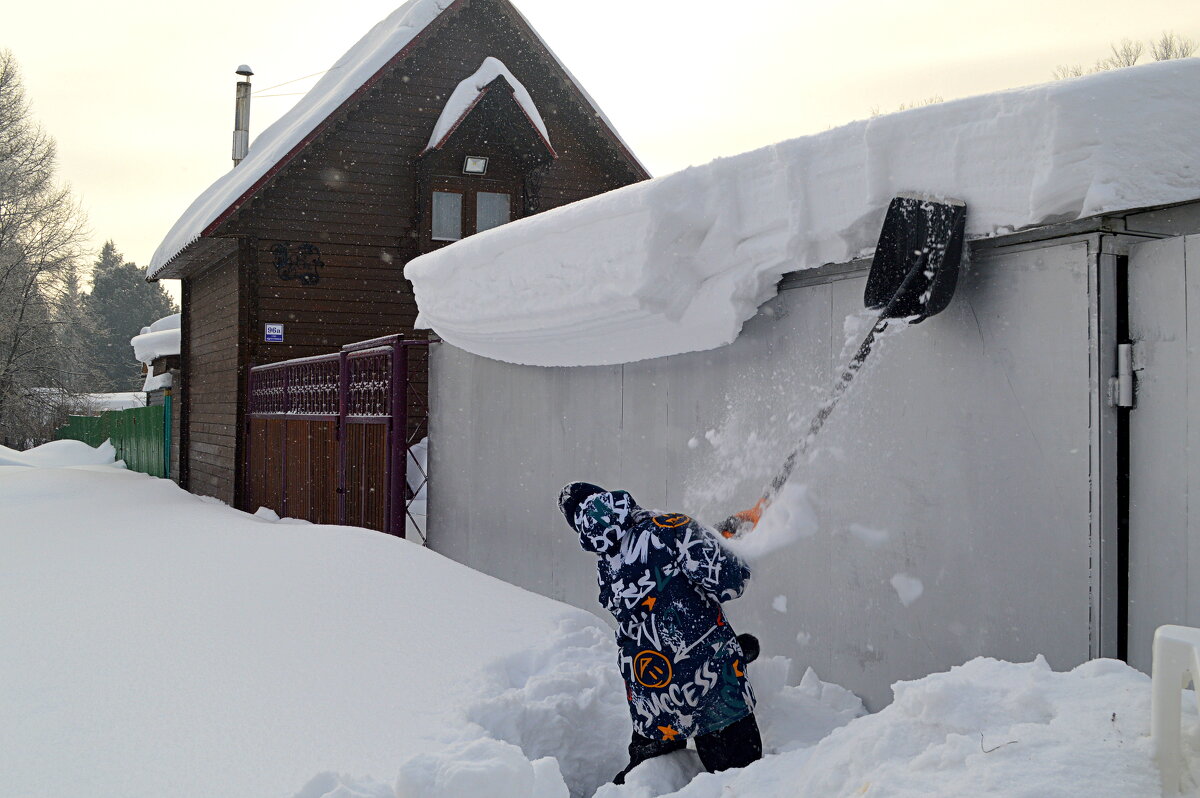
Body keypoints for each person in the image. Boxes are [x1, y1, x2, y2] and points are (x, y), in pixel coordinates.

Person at [558, 481, 763, 784]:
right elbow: (732, 581)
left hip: (652, 698)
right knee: (741, 783)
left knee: (647, 783)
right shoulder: (671, 527)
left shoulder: (607, 566)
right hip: (712, 690)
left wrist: (713, 534)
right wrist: (725, 547)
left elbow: (659, 584)